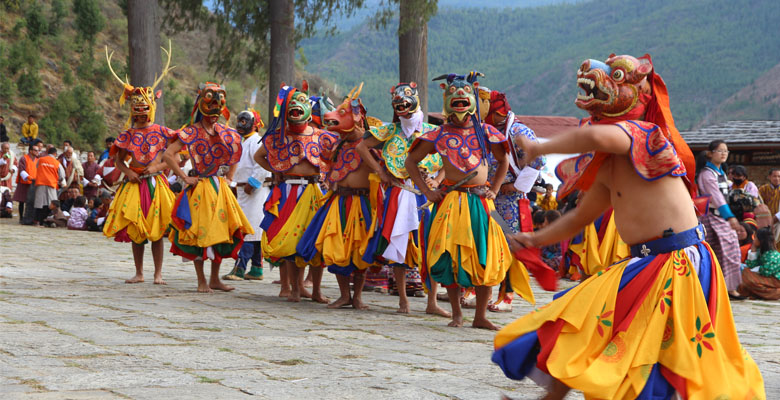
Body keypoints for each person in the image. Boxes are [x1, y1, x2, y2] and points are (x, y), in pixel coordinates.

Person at [493, 54, 764, 399]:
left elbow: (598, 139)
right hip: (649, 262)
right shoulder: (608, 167)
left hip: (678, 262)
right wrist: (534, 237)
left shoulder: (644, 136)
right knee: (580, 319)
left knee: (656, 359)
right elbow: (579, 217)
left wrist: (538, 147)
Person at [406, 71, 534, 330]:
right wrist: (429, 192)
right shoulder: (438, 134)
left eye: (465, 94)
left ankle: (480, 316)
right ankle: (457, 314)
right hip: (451, 203)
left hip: (481, 203)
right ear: (446, 100)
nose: (460, 97)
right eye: (454, 93)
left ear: (473, 100)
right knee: (450, 257)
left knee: (486, 256)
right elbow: (410, 161)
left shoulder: (487, 131)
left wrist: (496, 188)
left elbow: (503, 160)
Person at [356, 81, 449, 316]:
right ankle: (403, 301)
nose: (402, 105)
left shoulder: (432, 132)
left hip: (425, 195)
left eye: (406, 101)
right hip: (399, 192)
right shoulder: (390, 131)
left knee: (431, 245)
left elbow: (451, 159)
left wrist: (436, 181)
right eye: (397, 103)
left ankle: (432, 301)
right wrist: (380, 171)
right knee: (400, 247)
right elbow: (361, 146)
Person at [163, 81, 254, 293]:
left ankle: (214, 279)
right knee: (200, 233)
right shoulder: (192, 132)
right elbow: (168, 154)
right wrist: (184, 177)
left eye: (218, 112)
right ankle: (201, 280)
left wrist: (229, 178)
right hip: (200, 187)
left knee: (220, 232)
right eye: (211, 112)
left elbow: (236, 152)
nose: (215, 116)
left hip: (218, 187)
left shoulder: (225, 132)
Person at [296, 83, 380, 310]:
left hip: (361, 202)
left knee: (358, 251)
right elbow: (329, 164)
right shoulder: (338, 144)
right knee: (336, 249)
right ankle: (344, 295)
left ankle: (358, 297)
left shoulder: (371, 142)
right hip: (339, 202)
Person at [254, 82, 337, 302]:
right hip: (288, 190)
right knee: (290, 241)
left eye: (301, 103)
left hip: (314, 191)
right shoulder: (277, 137)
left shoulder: (322, 136)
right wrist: (277, 169)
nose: (296, 107)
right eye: (292, 104)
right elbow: (259, 156)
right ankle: (295, 289)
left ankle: (317, 290)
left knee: (315, 242)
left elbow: (336, 157)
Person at [101, 49, 177, 285]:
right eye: (138, 112)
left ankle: (158, 273)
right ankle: (139, 272)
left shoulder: (163, 132)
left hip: (156, 185)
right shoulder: (128, 134)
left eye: (145, 111)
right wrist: (129, 172)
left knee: (157, 232)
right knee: (136, 231)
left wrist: (157, 168)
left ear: (151, 108)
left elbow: (172, 157)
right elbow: (118, 161)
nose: (141, 116)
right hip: (134, 186)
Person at [479, 88, 543, 313]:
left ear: (496, 112)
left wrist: (512, 186)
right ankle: (474, 290)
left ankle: (506, 294)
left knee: (508, 244)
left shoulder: (518, 131)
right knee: (482, 242)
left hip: (509, 201)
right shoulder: (482, 130)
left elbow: (537, 161)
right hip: (485, 197)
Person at [222, 109, 271, 282]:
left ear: (255, 124)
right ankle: (257, 268)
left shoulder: (256, 141)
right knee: (254, 231)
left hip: (255, 192)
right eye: (239, 120)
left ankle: (239, 268)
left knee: (250, 230)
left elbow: (262, 165)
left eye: (245, 121)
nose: (240, 124)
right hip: (244, 191)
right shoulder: (245, 142)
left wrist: (253, 183)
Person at [696, 140, 744, 299]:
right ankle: (715, 288)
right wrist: (729, 216)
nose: (724, 153)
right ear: (710, 153)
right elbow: (715, 198)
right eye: (720, 151)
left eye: (726, 151)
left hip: (721, 218)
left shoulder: (720, 173)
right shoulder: (707, 174)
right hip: (711, 218)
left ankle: (728, 288)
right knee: (713, 254)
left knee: (730, 252)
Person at [738, 226, 780, 300]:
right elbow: (751, 265)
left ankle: (776, 293)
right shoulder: (761, 252)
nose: (754, 240)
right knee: (744, 279)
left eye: (756, 238)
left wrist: (752, 270)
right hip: (766, 277)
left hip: (776, 279)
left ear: (762, 240)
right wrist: (753, 249)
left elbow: (766, 272)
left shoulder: (772, 255)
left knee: (746, 276)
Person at [33, 146, 64, 226]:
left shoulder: (40, 160)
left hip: (40, 183)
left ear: (47, 153)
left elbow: (36, 167)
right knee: (51, 203)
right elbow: (62, 175)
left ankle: (38, 221)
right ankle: (48, 220)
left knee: (40, 203)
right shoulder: (57, 163)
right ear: (55, 154)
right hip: (51, 184)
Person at [12, 142, 39, 223]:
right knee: (21, 201)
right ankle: (21, 217)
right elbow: (21, 170)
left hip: (34, 183)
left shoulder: (38, 160)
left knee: (31, 201)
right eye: (35, 150)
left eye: (38, 150)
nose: (37, 152)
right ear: (30, 151)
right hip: (24, 182)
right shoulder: (24, 158)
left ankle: (30, 217)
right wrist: (29, 177)